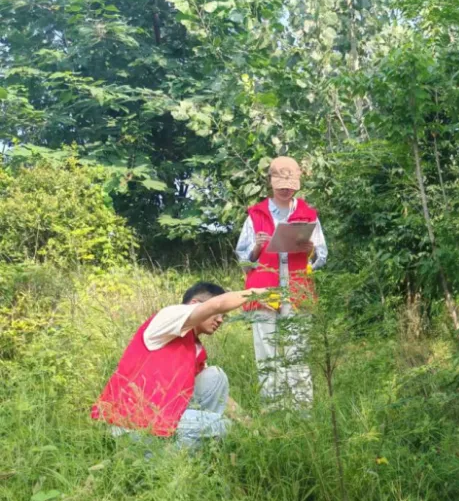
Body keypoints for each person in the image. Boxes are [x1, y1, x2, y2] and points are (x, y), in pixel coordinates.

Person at [92, 283, 266, 448]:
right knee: (221, 426)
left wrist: (253, 426)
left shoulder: (195, 349)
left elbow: (224, 399)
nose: (220, 320)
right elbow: (217, 303)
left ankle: (186, 452)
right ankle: (165, 464)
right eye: (218, 314)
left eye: (223, 316)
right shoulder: (170, 316)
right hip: (132, 423)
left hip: (161, 420)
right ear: (194, 304)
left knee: (215, 376)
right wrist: (257, 293)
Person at [234, 156, 328, 407]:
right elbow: (243, 260)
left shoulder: (308, 214)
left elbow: (322, 256)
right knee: (267, 350)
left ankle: (302, 410)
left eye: (291, 184)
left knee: (299, 350)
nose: (286, 189)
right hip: (264, 289)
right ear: (271, 183)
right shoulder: (256, 215)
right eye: (280, 184)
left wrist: (311, 250)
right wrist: (257, 247)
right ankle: (273, 409)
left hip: (298, 288)